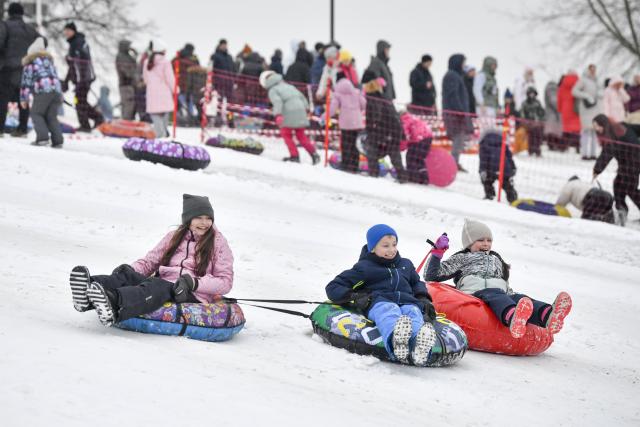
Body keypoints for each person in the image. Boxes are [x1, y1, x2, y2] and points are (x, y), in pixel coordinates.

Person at [69, 194, 234, 327]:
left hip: (191, 293)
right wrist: (131, 270)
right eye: (199, 217)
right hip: (166, 283)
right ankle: (88, 289)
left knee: (156, 285)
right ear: (188, 219)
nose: (205, 223)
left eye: (208, 218)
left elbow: (225, 281)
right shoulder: (173, 237)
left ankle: (113, 302)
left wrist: (193, 283)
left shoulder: (218, 243)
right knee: (128, 275)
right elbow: (150, 262)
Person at [424, 220, 572, 338]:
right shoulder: (462, 257)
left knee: (520, 298)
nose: (486, 243)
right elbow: (432, 276)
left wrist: (512, 294)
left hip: (502, 292)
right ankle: (513, 317)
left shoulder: (496, 258)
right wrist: (437, 253)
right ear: (469, 243)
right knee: (495, 294)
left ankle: (549, 315)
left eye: (489, 240)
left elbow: (504, 279)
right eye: (480, 240)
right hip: (476, 293)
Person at [325, 224, 437, 365]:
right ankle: (395, 342)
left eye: (394, 245)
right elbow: (334, 286)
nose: (391, 250)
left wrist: (423, 298)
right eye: (385, 246)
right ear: (372, 248)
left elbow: (416, 283)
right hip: (380, 302)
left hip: (407, 301)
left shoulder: (405, 264)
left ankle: (418, 347)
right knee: (389, 311)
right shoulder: (365, 267)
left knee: (414, 311)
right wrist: (354, 297)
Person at [260, 70, 320, 164]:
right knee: (301, 135)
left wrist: (278, 114)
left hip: (288, 112)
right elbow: (302, 97)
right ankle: (314, 154)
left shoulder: (273, 90)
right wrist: (307, 109)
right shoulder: (289, 86)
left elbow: (277, 102)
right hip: (300, 110)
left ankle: (294, 156)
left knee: (286, 134)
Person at [592, 114, 640, 226]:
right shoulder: (620, 126)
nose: (596, 129)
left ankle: (621, 212)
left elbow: (606, 154)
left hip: (634, 162)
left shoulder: (612, 136)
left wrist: (597, 170)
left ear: (603, 124)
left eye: (597, 126)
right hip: (627, 163)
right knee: (618, 185)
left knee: (630, 188)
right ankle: (621, 212)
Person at [0, 2, 39, 137]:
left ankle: (0, 129)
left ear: (9, 13)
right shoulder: (30, 29)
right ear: (22, 13)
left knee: (2, 98)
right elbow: (43, 41)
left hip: (7, 68)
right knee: (24, 98)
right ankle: (22, 129)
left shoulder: (5, 25)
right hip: (25, 69)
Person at [19, 37, 63, 148]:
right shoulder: (50, 62)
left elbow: (26, 82)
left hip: (43, 92)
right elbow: (56, 78)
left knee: (36, 113)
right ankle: (58, 140)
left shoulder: (31, 64)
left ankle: (42, 139)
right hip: (56, 92)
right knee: (51, 116)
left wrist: (24, 99)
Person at [362, 72, 407, 182]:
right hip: (392, 129)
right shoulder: (383, 97)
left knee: (372, 149)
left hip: (386, 129)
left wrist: (370, 130)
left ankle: (374, 175)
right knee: (393, 153)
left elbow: (375, 116)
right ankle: (402, 176)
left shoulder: (373, 98)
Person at [62, 22, 104, 132]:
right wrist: (68, 80)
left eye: (68, 30)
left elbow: (78, 63)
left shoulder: (77, 43)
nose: (66, 32)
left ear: (73, 31)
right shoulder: (76, 42)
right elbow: (73, 65)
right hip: (83, 79)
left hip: (83, 79)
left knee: (79, 101)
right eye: (65, 30)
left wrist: (74, 79)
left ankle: (87, 124)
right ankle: (95, 119)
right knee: (81, 102)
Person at [329, 71, 366, 172]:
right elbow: (364, 105)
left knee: (346, 145)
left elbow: (332, 109)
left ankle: (346, 166)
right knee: (355, 146)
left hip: (345, 124)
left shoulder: (337, 94)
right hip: (357, 123)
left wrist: (325, 116)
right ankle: (354, 166)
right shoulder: (356, 92)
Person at [442, 53, 472, 171]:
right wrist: (459, 111)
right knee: (458, 138)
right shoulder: (451, 76)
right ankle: (453, 163)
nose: (464, 65)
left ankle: (455, 161)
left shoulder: (457, 76)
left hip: (457, 114)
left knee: (460, 139)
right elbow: (452, 95)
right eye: (463, 62)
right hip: (454, 114)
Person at [142, 39, 175, 138]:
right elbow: (170, 78)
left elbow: (145, 79)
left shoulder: (147, 62)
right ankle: (162, 134)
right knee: (164, 114)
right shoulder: (165, 62)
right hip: (164, 93)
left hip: (152, 93)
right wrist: (175, 89)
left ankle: (159, 134)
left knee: (155, 116)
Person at [572, 64, 602, 160]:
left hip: (595, 109)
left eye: (594, 69)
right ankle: (584, 154)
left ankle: (593, 154)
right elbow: (574, 91)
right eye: (591, 69)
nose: (593, 71)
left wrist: (600, 94)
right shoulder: (583, 80)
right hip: (585, 109)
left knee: (594, 132)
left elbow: (600, 93)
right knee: (586, 131)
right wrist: (586, 96)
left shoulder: (597, 81)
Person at [478, 129, 517, 202]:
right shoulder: (503, 143)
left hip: (490, 169)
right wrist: (513, 167)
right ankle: (513, 198)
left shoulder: (483, 144)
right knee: (507, 184)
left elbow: (483, 159)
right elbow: (509, 156)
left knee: (487, 181)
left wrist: (482, 170)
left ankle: (490, 195)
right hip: (504, 168)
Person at [400, 112, 433, 184]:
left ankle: (413, 177)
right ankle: (424, 178)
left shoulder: (404, 120)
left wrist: (400, 148)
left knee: (411, 158)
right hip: (428, 138)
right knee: (420, 159)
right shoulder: (413, 117)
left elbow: (404, 135)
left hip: (418, 139)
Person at [172, 43, 200, 124]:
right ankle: (189, 120)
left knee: (182, 103)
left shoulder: (177, 58)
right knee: (189, 104)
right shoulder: (193, 59)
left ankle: (184, 119)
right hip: (190, 85)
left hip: (181, 84)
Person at [473, 56, 499, 131]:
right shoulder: (481, 75)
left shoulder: (492, 78)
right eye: (493, 65)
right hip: (484, 107)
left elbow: (494, 93)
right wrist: (481, 103)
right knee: (484, 129)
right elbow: (477, 90)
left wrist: (497, 107)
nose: (494, 67)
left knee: (491, 129)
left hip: (492, 106)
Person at [557, 72, 581, 152]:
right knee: (576, 129)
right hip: (575, 109)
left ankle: (563, 147)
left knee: (566, 129)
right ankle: (577, 147)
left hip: (565, 109)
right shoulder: (578, 84)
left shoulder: (562, 86)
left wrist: (559, 109)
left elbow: (559, 99)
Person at [115, 40, 138, 120]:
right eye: (128, 45)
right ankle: (126, 122)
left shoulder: (127, 56)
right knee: (128, 104)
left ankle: (129, 121)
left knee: (131, 105)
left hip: (131, 84)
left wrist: (135, 55)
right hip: (126, 84)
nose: (130, 47)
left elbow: (135, 66)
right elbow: (127, 71)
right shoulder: (121, 56)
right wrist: (134, 75)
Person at [520, 87, 545, 156]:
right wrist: (526, 122)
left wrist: (540, 120)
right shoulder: (524, 103)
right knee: (532, 134)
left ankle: (537, 149)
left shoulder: (537, 103)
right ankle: (531, 149)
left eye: (533, 94)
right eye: (530, 93)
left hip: (537, 123)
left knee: (538, 133)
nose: (532, 95)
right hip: (528, 124)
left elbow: (542, 113)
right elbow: (522, 115)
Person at [543, 80, 563, 151]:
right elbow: (554, 101)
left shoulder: (550, 89)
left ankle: (553, 145)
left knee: (553, 130)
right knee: (552, 131)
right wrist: (559, 108)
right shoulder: (552, 89)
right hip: (552, 114)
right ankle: (552, 145)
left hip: (552, 114)